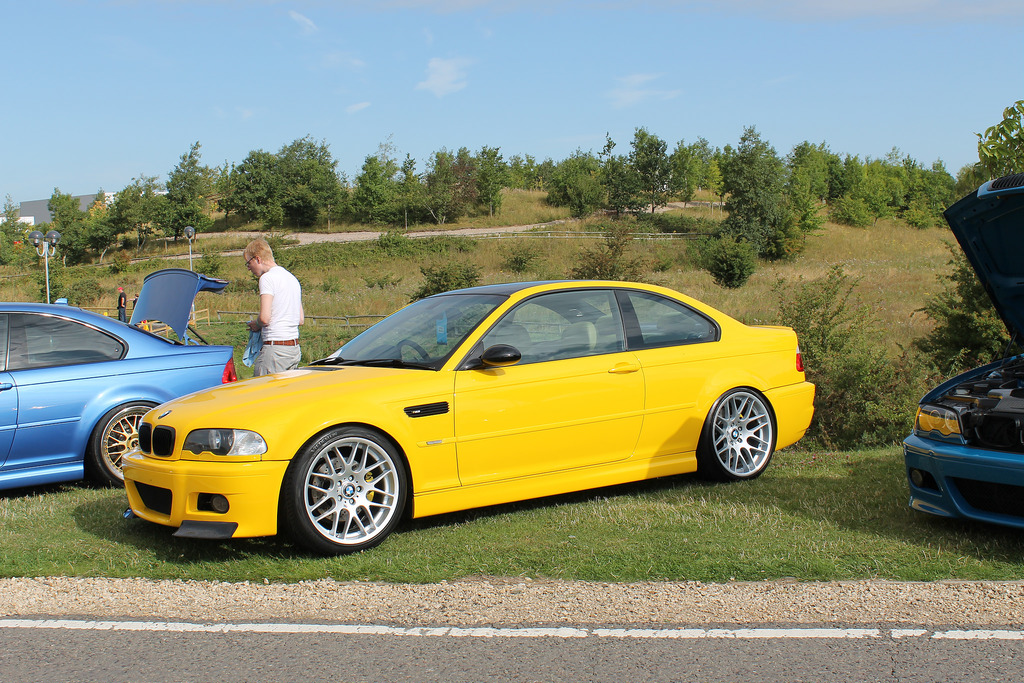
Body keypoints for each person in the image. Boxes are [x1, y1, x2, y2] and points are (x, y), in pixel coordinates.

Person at [243, 238, 304, 376]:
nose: (248, 268)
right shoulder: (292, 278)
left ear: (257, 259)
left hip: (275, 349)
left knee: (260, 388)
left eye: (248, 263)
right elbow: (300, 319)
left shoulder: (267, 278)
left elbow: (265, 318)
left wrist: (256, 324)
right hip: (293, 349)